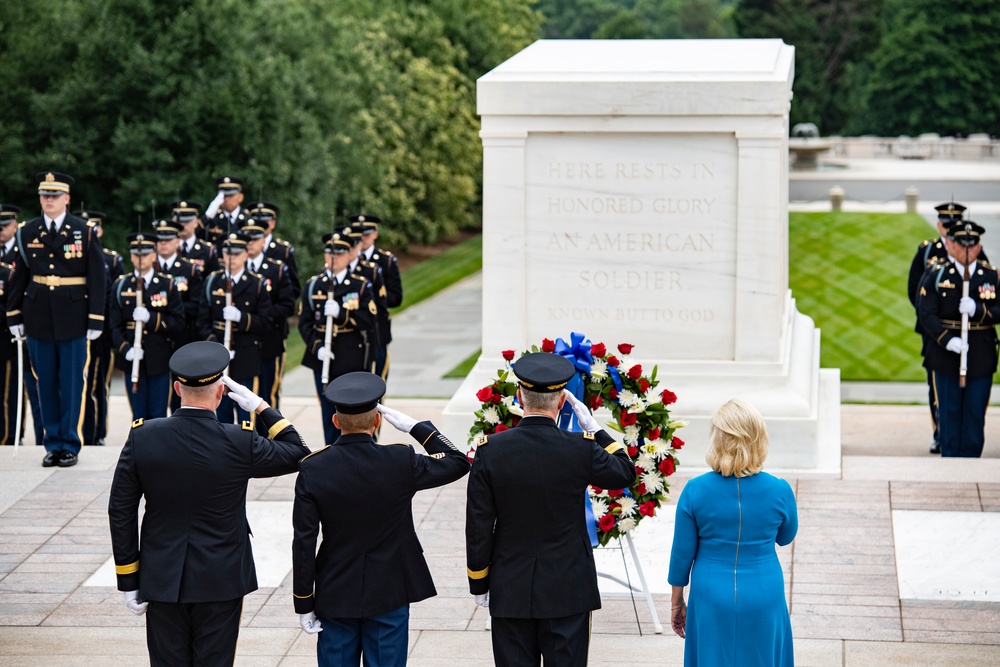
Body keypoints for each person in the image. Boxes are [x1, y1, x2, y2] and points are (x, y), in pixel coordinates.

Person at [108, 341, 310, 667]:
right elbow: (299, 453)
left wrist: (128, 577)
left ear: (177, 389)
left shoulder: (143, 437)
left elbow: (120, 509)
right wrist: (261, 406)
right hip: (222, 576)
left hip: (162, 577)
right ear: (221, 393)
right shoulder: (239, 441)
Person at [465, 352, 636, 667]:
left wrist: (479, 581)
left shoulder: (491, 452)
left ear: (520, 396)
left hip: (510, 587)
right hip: (567, 590)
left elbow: (478, 526)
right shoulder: (581, 448)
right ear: (561, 402)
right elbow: (625, 473)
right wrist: (596, 429)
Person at [292, 371, 470, 666]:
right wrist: (416, 428)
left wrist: (303, 601)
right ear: (377, 422)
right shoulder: (401, 461)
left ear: (335, 422)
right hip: (389, 589)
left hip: (336, 592)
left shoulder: (314, 468)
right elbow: (458, 462)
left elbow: (304, 541)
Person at [668, 398, 797, 667]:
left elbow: (682, 555)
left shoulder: (695, 490)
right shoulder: (780, 490)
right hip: (764, 590)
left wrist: (676, 602)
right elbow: (785, 537)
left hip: (710, 593)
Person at [6, 171, 106, 467]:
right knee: (45, 382)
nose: (48, 200)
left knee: (73, 381)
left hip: (74, 316)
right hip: (38, 316)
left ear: (66, 199)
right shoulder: (27, 231)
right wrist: (14, 314)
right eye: (44, 195)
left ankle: (70, 444)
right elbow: (19, 275)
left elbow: (98, 278)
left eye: (54, 195)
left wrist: (96, 318)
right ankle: (52, 443)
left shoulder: (84, 230)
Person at [917, 220, 999, 457]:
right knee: (949, 413)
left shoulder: (990, 276)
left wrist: (979, 310)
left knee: (975, 412)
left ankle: (971, 461)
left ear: (978, 246)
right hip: (945, 355)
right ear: (950, 244)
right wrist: (946, 340)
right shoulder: (936, 274)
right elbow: (926, 313)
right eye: (960, 243)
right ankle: (951, 461)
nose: (966, 250)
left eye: (972, 245)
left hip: (980, 354)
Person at [907, 201, 983, 454]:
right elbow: (915, 290)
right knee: (938, 383)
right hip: (935, 330)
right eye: (946, 225)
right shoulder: (928, 251)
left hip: (971, 332)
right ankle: (941, 432)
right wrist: (937, 325)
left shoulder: (971, 250)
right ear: (939, 225)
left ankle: (961, 435)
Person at [298, 231, 376, 445]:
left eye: (340, 253)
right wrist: (318, 347)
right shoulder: (314, 285)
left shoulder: (359, 285)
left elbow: (369, 320)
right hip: (324, 356)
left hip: (351, 355)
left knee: (358, 409)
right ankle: (332, 452)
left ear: (348, 255)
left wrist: (342, 313)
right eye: (330, 253)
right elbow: (304, 323)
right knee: (328, 410)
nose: (334, 258)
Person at [197, 232, 272, 424]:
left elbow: (265, 322)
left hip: (246, 354)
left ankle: (248, 449)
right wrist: (215, 345)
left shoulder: (256, 284)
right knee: (221, 411)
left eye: (237, 254)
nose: (231, 258)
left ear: (246, 255)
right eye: (227, 253)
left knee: (247, 411)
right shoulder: (213, 282)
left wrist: (241, 317)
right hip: (220, 354)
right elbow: (203, 321)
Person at [110, 232, 185, 420]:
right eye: (136, 254)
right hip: (132, 360)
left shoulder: (167, 285)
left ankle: (157, 450)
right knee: (138, 416)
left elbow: (178, 323)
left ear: (154, 255)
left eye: (145, 254)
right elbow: (113, 324)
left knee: (158, 414)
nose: (140, 258)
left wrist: (151, 318)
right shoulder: (121, 285)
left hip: (158, 359)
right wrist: (125, 349)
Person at [79, 210, 125, 446]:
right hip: (76, 329)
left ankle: (96, 433)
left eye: (96, 228)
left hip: (102, 333)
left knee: (98, 386)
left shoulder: (112, 260)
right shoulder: (74, 256)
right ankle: (80, 431)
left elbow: (116, 299)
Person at [239, 216, 295, 408]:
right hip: (244, 343)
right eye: (247, 240)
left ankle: (271, 437)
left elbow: (288, 305)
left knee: (268, 395)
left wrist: (263, 315)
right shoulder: (237, 270)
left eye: (255, 239)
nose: (251, 244)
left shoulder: (276, 270)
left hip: (269, 339)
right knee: (244, 397)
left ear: (264, 241)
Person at [152, 217, 204, 413]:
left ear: (177, 241)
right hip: (156, 337)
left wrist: (172, 308)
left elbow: (197, 304)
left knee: (181, 387)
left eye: (168, 239)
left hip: (183, 335)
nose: (163, 244)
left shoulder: (189, 269)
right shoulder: (150, 268)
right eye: (160, 240)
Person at [352, 213, 403, 381]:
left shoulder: (385, 261)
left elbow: (396, 297)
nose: (363, 239)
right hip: (352, 332)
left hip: (377, 330)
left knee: (376, 383)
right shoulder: (348, 263)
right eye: (359, 235)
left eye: (366, 234)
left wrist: (369, 302)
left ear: (375, 234)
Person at [246, 200, 300, 299]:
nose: (259, 226)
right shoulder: (244, 249)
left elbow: (294, 289)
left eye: (264, 222)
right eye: (256, 222)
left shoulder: (283, 250)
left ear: (273, 223)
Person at [169, 200, 219, 274]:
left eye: (187, 221)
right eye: (179, 222)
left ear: (195, 223)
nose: (182, 225)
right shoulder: (167, 249)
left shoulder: (207, 251)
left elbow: (213, 279)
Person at [203, 176, 248, 249]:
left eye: (231, 195)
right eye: (224, 195)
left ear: (240, 197)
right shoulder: (213, 219)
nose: (227, 199)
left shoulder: (247, 218)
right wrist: (207, 216)